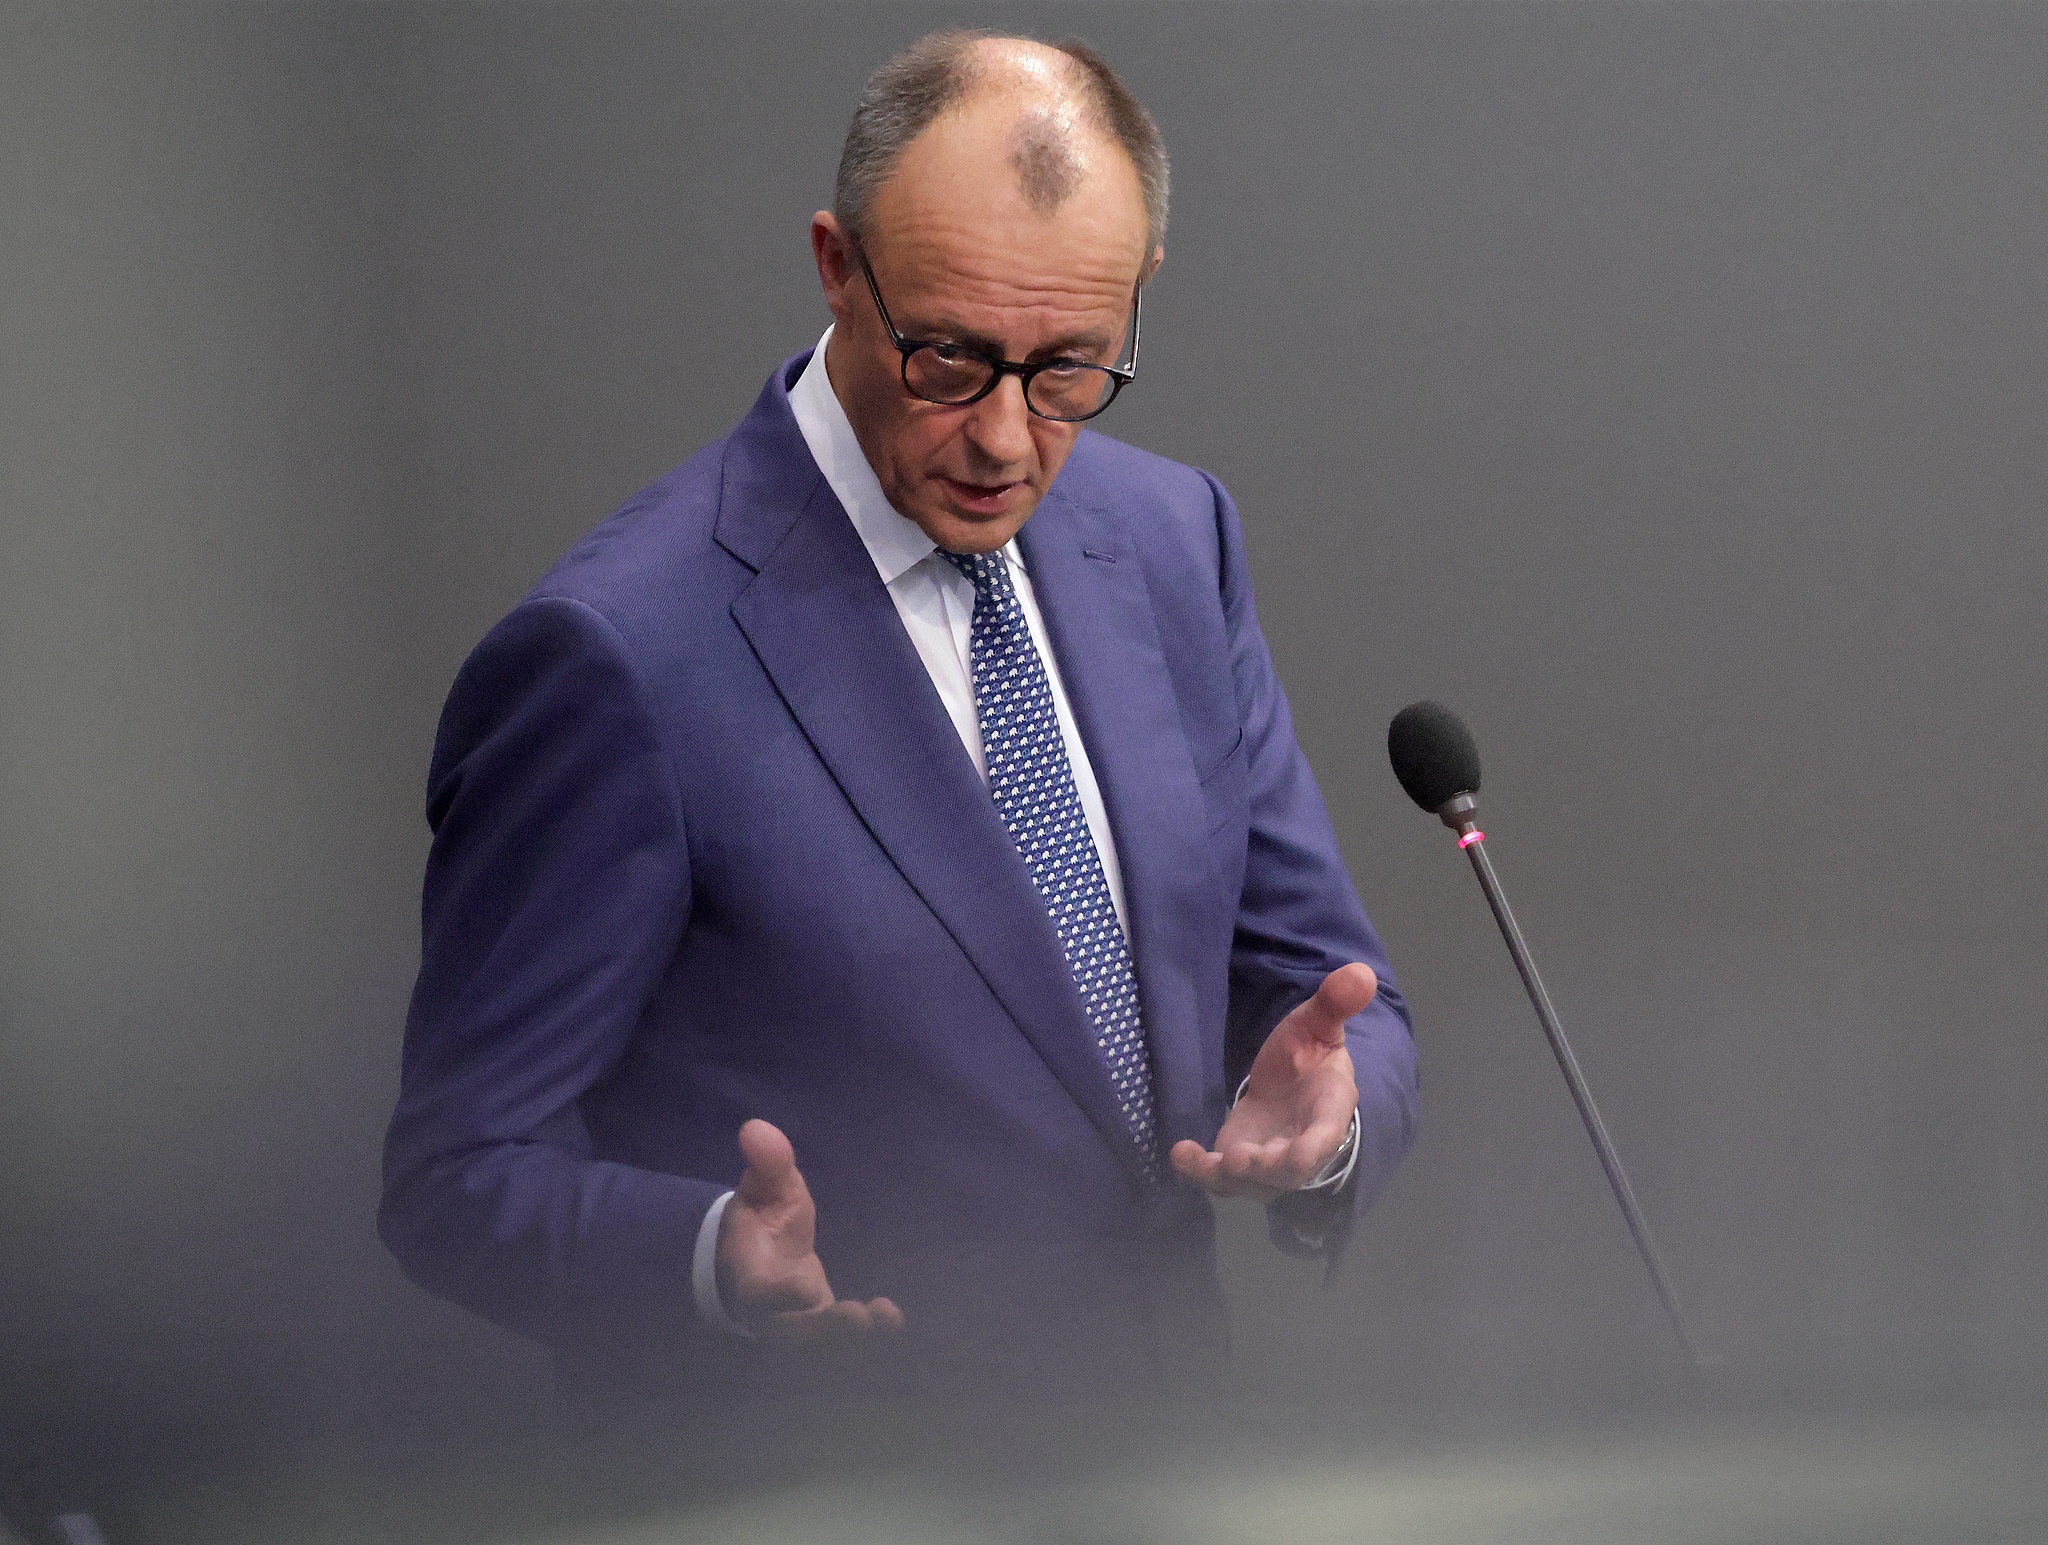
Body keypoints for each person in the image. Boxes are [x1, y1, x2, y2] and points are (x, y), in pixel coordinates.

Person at [379, 31, 1417, 1404]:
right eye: (947, 358)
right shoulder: (619, 654)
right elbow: (455, 1173)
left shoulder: (1174, 539)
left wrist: (1334, 1119)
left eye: (1069, 369)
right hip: (839, 1474)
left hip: (1170, 1461)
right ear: (834, 266)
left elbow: (1335, 995)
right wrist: (704, 1259)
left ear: (1136, 298)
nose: (1002, 438)